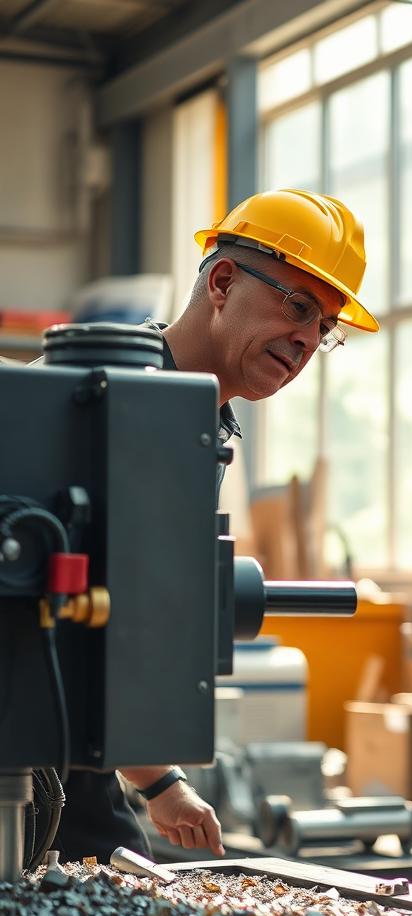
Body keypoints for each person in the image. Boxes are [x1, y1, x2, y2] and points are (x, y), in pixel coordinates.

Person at [54, 188, 380, 863]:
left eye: (324, 328)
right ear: (224, 281)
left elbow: (120, 612)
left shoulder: (199, 421)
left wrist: (158, 781)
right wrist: (161, 780)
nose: (307, 340)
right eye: (297, 306)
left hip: (67, 744)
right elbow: (68, 623)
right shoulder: (110, 391)